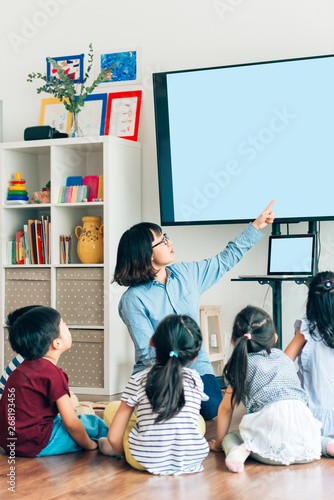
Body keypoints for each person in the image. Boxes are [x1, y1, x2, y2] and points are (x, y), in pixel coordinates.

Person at [113, 200, 275, 420]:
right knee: (168, 409)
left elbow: (224, 260)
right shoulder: (133, 299)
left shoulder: (186, 274)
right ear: (146, 254)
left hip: (195, 363)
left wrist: (255, 227)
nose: (169, 243)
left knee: (211, 409)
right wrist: (177, 380)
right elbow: (146, 351)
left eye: (166, 237)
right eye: (162, 241)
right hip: (157, 370)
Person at [209, 305, 323, 473]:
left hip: (268, 452)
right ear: (274, 338)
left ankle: (237, 452)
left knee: (231, 436)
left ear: (234, 341)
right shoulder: (283, 359)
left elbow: (226, 409)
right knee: (310, 431)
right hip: (307, 449)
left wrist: (218, 445)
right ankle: (326, 444)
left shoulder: (241, 365)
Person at [99, 314, 210, 475]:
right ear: (194, 357)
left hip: (144, 460)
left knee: (112, 409)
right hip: (190, 459)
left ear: (152, 341)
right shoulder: (195, 379)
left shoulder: (139, 379)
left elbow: (115, 437)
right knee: (198, 420)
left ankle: (111, 447)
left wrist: (123, 452)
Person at [0, 306, 108, 457]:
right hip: (39, 443)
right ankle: (114, 442)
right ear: (56, 343)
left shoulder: (19, 370)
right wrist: (89, 446)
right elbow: (70, 421)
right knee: (91, 422)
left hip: (10, 443)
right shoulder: (52, 373)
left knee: (71, 421)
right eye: (64, 326)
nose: (68, 328)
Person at [285, 271, 334, 457]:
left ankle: (322, 444)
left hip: (310, 419)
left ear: (309, 303)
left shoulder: (306, 329)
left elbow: (282, 365)